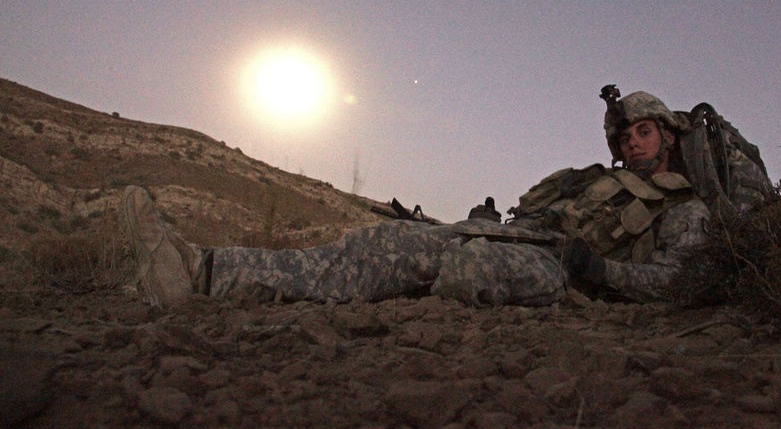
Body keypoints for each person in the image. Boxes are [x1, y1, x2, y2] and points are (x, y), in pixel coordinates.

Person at [121, 89, 710, 308]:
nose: (634, 144)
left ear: (668, 136)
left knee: (447, 263)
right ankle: (203, 270)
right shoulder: (590, 179)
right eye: (627, 135)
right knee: (381, 239)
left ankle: (207, 279)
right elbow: (532, 216)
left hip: (564, 276)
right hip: (525, 241)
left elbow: (674, 281)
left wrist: (602, 269)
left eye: (645, 132)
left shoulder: (686, 209)